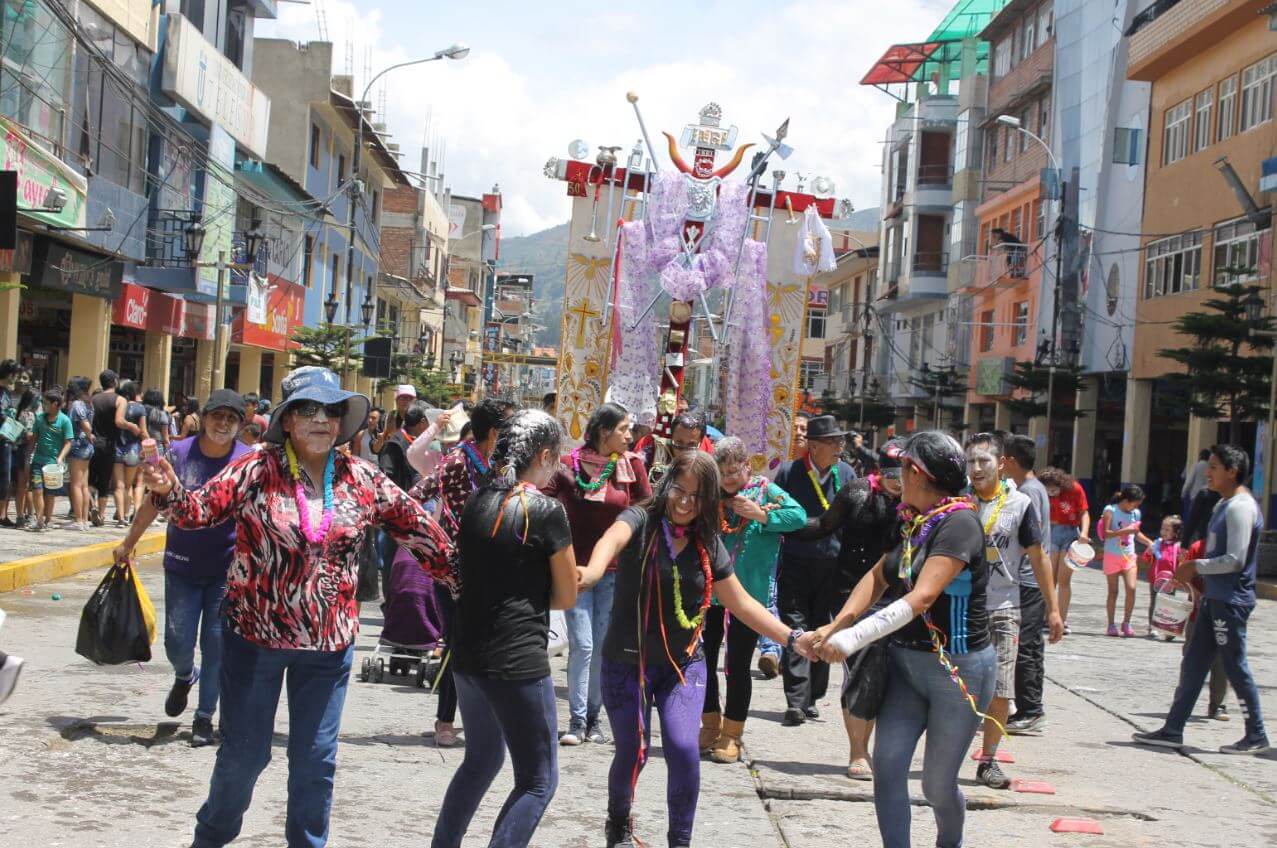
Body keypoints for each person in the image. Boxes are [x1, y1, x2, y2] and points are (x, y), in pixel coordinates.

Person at [141, 366, 452, 847]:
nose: (321, 420)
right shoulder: (254, 469)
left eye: (330, 411)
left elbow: (419, 530)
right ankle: (211, 839)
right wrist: (167, 489)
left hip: (328, 647)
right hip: (253, 640)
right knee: (245, 757)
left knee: (315, 761)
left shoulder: (361, 477)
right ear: (286, 420)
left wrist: (471, 578)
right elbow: (197, 512)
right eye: (307, 410)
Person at [579, 450, 812, 848]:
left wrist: (792, 639)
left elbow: (742, 604)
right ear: (667, 485)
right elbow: (611, 539)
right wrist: (593, 570)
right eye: (679, 490)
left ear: (710, 499)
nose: (684, 501)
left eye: (697, 495)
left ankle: (680, 841)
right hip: (626, 662)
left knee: (685, 749)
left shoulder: (709, 542)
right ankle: (617, 824)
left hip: (684, 665)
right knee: (633, 749)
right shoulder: (642, 519)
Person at [799, 432, 992, 848]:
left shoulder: (959, 523)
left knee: (937, 787)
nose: (895, 476)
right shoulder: (919, 521)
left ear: (916, 473)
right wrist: (834, 626)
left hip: (958, 672)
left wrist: (851, 639)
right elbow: (878, 576)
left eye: (901, 467)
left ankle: (949, 843)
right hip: (907, 666)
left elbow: (921, 597)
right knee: (887, 769)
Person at [430, 410, 578, 848]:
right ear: (545, 455)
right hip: (516, 661)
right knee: (538, 780)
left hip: (468, 655)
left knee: (480, 760)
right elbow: (566, 596)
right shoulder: (546, 510)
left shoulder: (478, 500)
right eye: (557, 459)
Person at [115, 390, 250, 747]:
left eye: (231, 419)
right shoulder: (178, 454)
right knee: (177, 641)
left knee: (217, 643)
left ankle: (205, 717)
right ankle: (185, 674)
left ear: (239, 425)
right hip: (182, 566)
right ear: (204, 418)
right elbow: (153, 502)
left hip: (227, 571)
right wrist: (128, 543)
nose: (223, 424)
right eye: (217, 416)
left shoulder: (246, 462)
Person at [1134, 444, 1269, 755]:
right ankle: (1172, 729)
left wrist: (1195, 566)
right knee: (1194, 664)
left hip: (1230, 600)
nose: (1207, 473)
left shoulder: (1240, 507)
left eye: (1214, 468)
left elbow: (1234, 559)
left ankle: (1256, 734)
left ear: (1232, 472)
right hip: (1214, 596)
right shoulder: (1224, 503)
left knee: (1235, 666)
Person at [791, 438, 905, 778]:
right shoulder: (856, 493)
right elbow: (823, 526)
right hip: (850, 594)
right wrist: (775, 521)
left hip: (900, 597)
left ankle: (889, 748)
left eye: (904, 475)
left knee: (891, 676)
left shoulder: (919, 502)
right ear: (878, 472)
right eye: (891, 474)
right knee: (860, 672)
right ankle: (859, 751)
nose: (898, 482)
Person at [544, 402, 651, 746]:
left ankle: (594, 717)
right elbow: (541, 498)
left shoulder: (632, 466)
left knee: (603, 646)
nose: (630, 436)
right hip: (573, 568)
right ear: (604, 432)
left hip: (615, 572)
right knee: (582, 644)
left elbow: (646, 506)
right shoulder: (567, 465)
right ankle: (576, 721)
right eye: (624, 429)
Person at [410, 397, 512, 748]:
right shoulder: (455, 461)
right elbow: (414, 497)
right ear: (496, 431)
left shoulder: (500, 465)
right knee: (457, 643)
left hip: (492, 565)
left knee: (488, 643)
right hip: (456, 568)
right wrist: (435, 545)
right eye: (510, 427)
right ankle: (445, 719)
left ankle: (484, 716)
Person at [963, 433, 1062, 789]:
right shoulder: (960, 503)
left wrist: (1053, 609)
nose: (976, 468)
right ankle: (947, 754)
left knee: (1002, 689)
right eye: (971, 461)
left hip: (1005, 607)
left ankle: (988, 760)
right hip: (964, 607)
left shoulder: (1020, 505)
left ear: (1001, 463)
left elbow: (1039, 558)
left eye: (983, 461)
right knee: (960, 688)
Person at [700, 437, 806, 764]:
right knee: (702, 663)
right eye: (724, 473)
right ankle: (709, 723)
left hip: (748, 597)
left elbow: (798, 516)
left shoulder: (765, 491)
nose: (730, 479)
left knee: (736, 666)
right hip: (709, 593)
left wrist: (761, 515)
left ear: (748, 465)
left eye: (735, 471)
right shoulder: (710, 494)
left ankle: (732, 734)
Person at [773, 414, 856, 726]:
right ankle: (795, 699)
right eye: (833, 442)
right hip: (795, 561)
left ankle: (813, 695)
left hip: (833, 565)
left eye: (840, 441)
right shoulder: (789, 473)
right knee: (795, 625)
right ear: (814, 446)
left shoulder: (846, 473)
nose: (839, 447)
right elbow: (776, 513)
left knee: (823, 626)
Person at [1002, 435, 1058, 735]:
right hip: (1027, 579)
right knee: (1029, 645)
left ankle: (1031, 710)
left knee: (1025, 646)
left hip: (1027, 579)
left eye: (1002, 458)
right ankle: (1028, 707)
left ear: (1011, 461)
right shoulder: (1030, 489)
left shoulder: (1029, 493)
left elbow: (1031, 543)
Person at [1039, 467, 1090, 634]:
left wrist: (1084, 533)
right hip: (1050, 532)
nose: (1051, 493)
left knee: (1064, 579)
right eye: (1048, 490)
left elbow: (1084, 512)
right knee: (1049, 578)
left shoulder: (1074, 489)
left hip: (1070, 534)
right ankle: (1048, 618)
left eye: (1054, 489)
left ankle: (1062, 618)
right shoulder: (1040, 491)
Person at [1101, 485, 1153, 637]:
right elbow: (1106, 534)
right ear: (1125, 500)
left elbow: (1136, 534)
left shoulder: (1136, 514)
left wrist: (1149, 542)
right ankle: (1111, 624)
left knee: (1131, 588)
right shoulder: (1110, 510)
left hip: (1129, 556)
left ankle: (1126, 622)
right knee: (1113, 591)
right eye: (1134, 503)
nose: (1136, 507)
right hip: (1112, 554)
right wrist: (1125, 531)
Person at [28, 386, 73, 532]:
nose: (43, 405)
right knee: (37, 490)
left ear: (55, 404)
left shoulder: (64, 421)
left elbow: (68, 442)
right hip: (38, 461)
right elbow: (34, 439)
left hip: (53, 465)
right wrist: (28, 457)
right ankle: (39, 519)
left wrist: (60, 458)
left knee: (50, 493)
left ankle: (48, 519)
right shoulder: (40, 419)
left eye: (46, 403)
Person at [2, 366, 39, 527]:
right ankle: (5, 514)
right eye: (20, 377)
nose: (21, 381)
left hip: (25, 446)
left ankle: (25, 515)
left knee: (24, 483)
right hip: (8, 443)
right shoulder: (7, 395)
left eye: (25, 378)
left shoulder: (33, 400)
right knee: (7, 481)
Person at [633, 410, 712, 485]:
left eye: (691, 445)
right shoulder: (649, 456)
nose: (684, 451)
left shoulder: (706, 470)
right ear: (671, 438)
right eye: (679, 443)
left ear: (700, 443)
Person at [89, 370, 121, 526]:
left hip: (93, 442)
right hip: (109, 444)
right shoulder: (119, 400)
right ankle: (101, 515)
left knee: (89, 479)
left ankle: (92, 506)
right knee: (104, 481)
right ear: (115, 381)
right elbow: (119, 422)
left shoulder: (92, 399)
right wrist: (134, 427)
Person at [1142, 515, 1182, 638]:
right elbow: (1146, 559)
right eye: (1162, 529)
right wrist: (1149, 552)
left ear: (1176, 532)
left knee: (1170, 604)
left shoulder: (1178, 547)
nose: (1163, 532)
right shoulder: (1157, 543)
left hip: (1172, 581)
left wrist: (1180, 578)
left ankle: (1169, 629)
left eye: (1167, 530)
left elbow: (1181, 563)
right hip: (1156, 579)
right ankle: (1152, 627)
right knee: (1155, 603)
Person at [114, 380, 148, 525]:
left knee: (119, 485)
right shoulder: (140, 409)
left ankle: (120, 516)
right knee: (129, 485)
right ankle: (127, 515)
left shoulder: (117, 405)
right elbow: (143, 431)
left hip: (117, 447)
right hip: (133, 449)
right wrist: (147, 448)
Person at [65, 377, 95, 531]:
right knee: (83, 484)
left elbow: (86, 425)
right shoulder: (88, 403)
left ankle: (78, 520)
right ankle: (83, 519)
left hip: (78, 445)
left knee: (75, 484)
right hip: (87, 447)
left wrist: (88, 433)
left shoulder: (77, 404)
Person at [1182, 448, 1210, 516]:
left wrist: (1183, 493)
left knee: (1193, 517)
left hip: (1195, 496)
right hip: (1208, 497)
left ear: (1200, 456)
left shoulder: (1196, 466)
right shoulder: (1210, 467)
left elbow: (1189, 481)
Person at [144, 390, 172, 457]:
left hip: (141, 444)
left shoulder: (141, 410)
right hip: (156, 446)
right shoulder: (161, 413)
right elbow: (165, 438)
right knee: (156, 467)